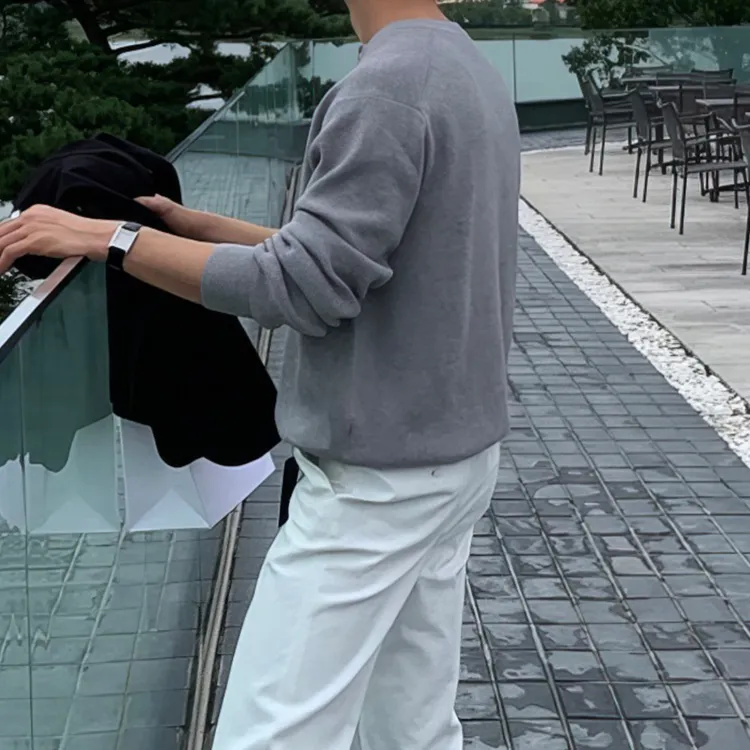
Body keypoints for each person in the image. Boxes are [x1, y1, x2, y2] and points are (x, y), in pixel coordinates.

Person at [0, 0, 520, 746]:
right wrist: (201, 230)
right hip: (453, 457)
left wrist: (109, 238)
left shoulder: (387, 87)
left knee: (270, 731)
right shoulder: (461, 62)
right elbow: (366, 255)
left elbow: (304, 286)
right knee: (412, 725)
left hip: (377, 482)